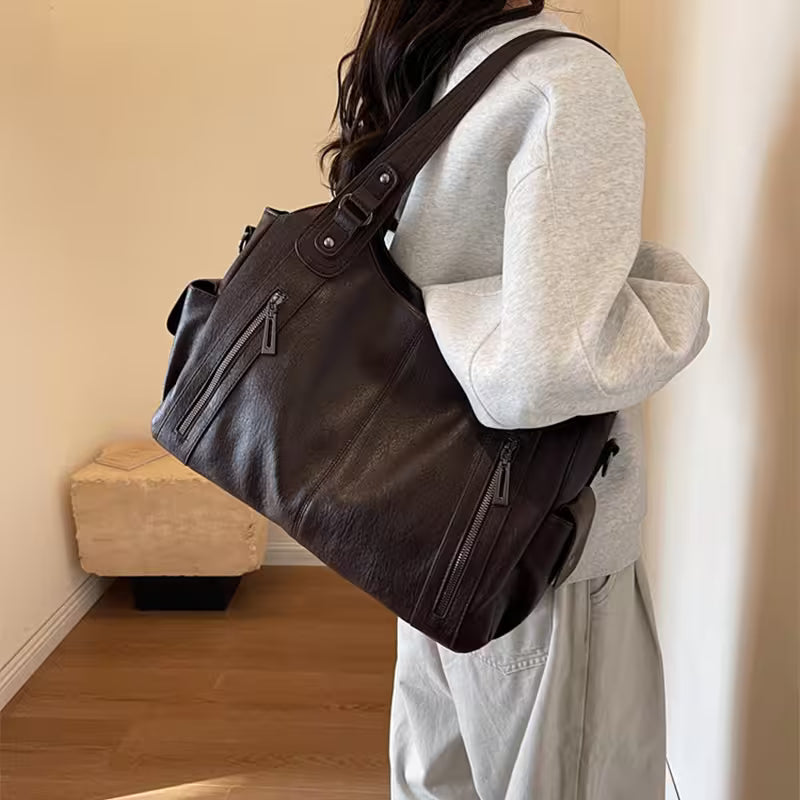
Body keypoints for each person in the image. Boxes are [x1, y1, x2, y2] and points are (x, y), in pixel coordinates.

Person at [322, 2, 710, 798]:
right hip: (543, 544)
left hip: (425, 515)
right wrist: (673, 297)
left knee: (439, 778)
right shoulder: (564, 81)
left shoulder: (431, 65)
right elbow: (543, 372)